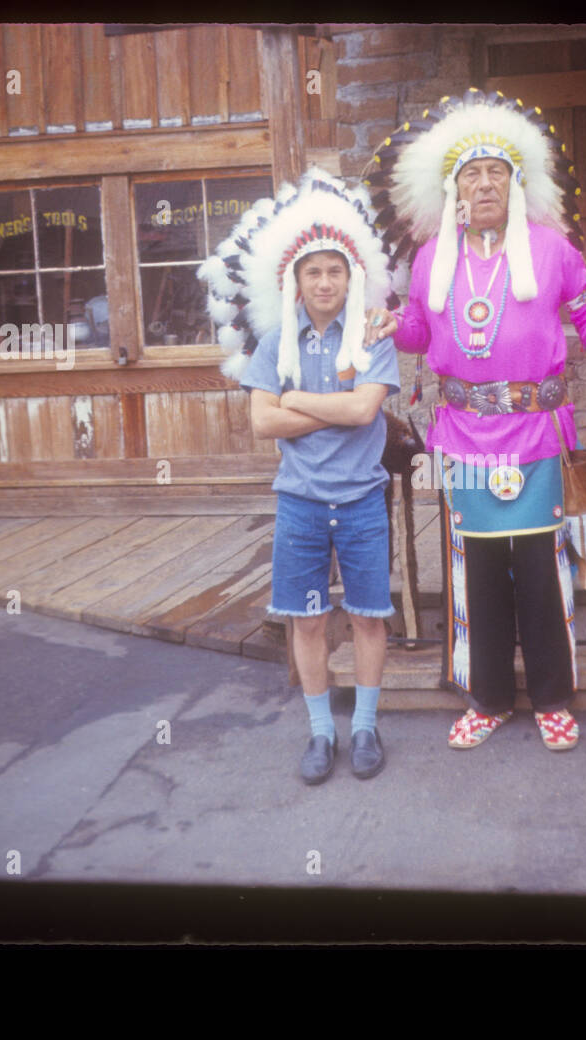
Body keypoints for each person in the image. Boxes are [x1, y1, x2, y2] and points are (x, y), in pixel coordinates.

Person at [364, 89, 586, 751]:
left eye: (497, 174)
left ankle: (552, 698)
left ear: (517, 184)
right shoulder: (431, 257)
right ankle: (485, 697)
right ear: (453, 190)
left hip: (536, 431)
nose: (484, 185)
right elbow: (423, 333)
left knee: (540, 565)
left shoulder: (551, 248)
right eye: (471, 175)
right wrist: (394, 325)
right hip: (461, 435)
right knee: (476, 569)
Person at [198, 168, 401, 785]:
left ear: (352, 275)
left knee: (368, 617)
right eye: (312, 271)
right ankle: (319, 734)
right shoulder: (274, 343)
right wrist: (324, 403)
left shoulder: (371, 335)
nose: (324, 281)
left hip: (362, 498)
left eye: (334, 270)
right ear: (295, 279)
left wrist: (297, 404)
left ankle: (363, 726)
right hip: (301, 503)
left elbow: (365, 410)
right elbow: (262, 422)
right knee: (307, 621)